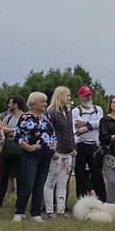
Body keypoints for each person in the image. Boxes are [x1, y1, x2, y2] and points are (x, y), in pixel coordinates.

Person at [13, 91, 55, 222]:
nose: (45, 104)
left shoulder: (46, 117)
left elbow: (53, 134)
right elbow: (17, 136)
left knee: (39, 185)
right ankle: (19, 212)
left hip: (46, 155)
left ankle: (36, 213)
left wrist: (54, 145)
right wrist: (29, 148)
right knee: (28, 184)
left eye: (45, 101)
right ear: (34, 103)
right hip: (31, 155)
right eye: (42, 101)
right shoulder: (26, 117)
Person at [43, 86, 77, 218]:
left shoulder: (68, 111)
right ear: (60, 96)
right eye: (67, 95)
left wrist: (74, 148)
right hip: (57, 152)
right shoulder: (51, 113)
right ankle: (50, 210)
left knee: (63, 182)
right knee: (51, 181)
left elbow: (70, 131)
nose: (69, 98)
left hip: (68, 152)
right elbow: (47, 132)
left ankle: (61, 211)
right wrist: (52, 150)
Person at [71, 86, 104, 199]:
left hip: (94, 145)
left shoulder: (98, 109)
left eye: (89, 95)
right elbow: (76, 129)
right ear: (80, 97)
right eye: (85, 96)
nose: (88, 97)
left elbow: (100, 123)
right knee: (81, 174)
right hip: (81, 145)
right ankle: (81, 199)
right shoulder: (76, 111)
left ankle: (101, 199)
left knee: (97, 173)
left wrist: (86, 124)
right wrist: (91, 125)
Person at [0, 94, 25, 209]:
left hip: (20, 150)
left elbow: (24, 131)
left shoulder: (25, 117)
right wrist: (16, 130)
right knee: (3, 175)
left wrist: (11, 131)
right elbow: (1, 129)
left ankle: (20, 202)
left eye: (10, 103)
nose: (8, 105)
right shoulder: (7, 117)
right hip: (7, 150)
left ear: (16, 105)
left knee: (20, 178)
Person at [99, 94, 115, 204]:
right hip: (110, 154)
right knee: (112, 181)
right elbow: (103, 139)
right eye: (114, 102)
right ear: (110, 104)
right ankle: (109, 206)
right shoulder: (105, 120)